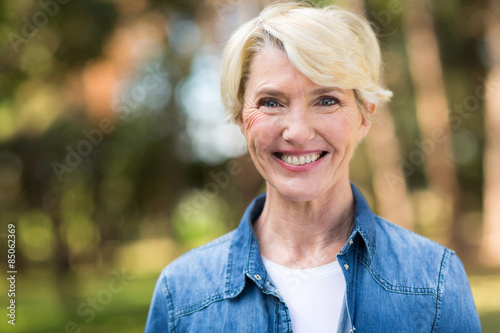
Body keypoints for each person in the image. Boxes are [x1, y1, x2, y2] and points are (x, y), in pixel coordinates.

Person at [145, 2, 481, 332]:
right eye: (271, 102)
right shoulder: (181, 295)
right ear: (240, 118)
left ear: (365, 117)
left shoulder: (434, 280)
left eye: (326, 100)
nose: (298, 131)